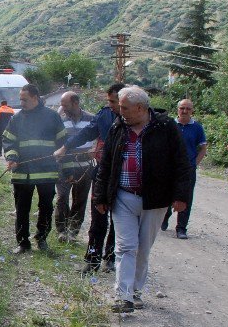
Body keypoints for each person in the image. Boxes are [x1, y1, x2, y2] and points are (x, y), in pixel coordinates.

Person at [93, 86, 191, 313]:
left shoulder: (166, 127)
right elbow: (106, 163)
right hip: (123, 195)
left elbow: (181, 162)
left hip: (155, 198)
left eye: (124, 108)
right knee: (126, 246)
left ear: (140, 108)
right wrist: (100, 194)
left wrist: (180, 195)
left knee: (143, 248)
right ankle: (123, 296)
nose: (120, 111)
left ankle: (136, 290)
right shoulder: (119, 126)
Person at [56, 83, 125, 273]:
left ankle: (110, 258)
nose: (110, 105)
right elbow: (86, 133)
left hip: (124, 179)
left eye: (113, 101)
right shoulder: (104, 115)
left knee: (116, 221)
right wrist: (65, 147)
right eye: (109, 101)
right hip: (103, 174)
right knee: (97, 218)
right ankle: (92, 259)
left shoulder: (138, 120)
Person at [2, 84, 68, 254]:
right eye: (20, 99)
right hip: (22, 173)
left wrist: (60, 155)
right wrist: (12, 158)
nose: (21, 102)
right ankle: (23, 243)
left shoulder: (52, 117)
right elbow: (8, 142)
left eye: (24, 99)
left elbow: (63, 141)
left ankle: (42, 239)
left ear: (35, 97)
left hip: (46, 172)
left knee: (46, 207)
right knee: (22, 209)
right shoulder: (16, 119)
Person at [160, 99, 207, 239]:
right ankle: (165, 216)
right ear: (177, 110)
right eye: (182, 108)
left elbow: (203, 149)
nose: (185, 111)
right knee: (166, 194)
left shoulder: (197, 128)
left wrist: (194, 164)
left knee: (186, 198)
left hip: (187, 169)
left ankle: (181, 228)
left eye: (188, 108)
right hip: (169, 168)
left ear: (192, 110)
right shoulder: (170, 125)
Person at [55, 91, 94, 240]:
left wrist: (93, 149)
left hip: (85, 166)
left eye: (65, 105)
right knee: (62, 197)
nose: (62, 107)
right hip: (64, 165)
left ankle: (73, 231)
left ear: (76, 103)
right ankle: (61, 230)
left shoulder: (92, 119)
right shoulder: (60, 120)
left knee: (80, 199)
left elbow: (99, 137)